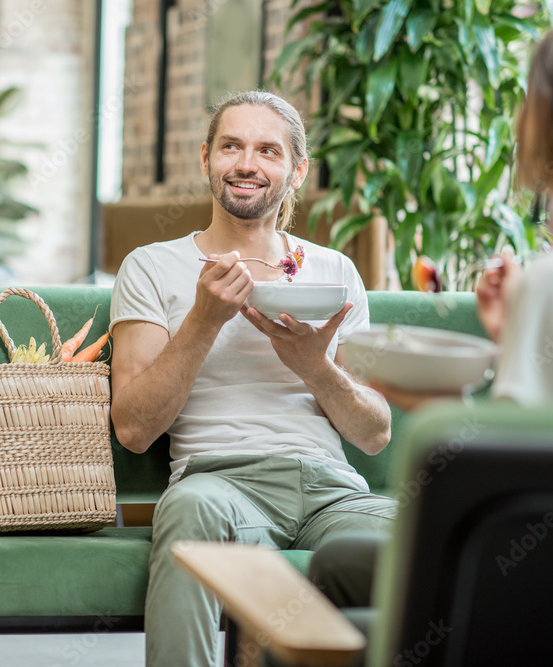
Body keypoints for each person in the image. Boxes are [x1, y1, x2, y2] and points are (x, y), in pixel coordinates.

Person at [314, 13, 553, 613]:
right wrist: (520, 338)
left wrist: (431, 398)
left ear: (552, 118)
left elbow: (514, 486)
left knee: (338, 565)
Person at [108, 90, 397, 667]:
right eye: (231, 146)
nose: (247, 164)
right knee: (188, 511)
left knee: (417, 540)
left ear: (297, 171)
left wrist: (316, 367)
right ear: (206, 160)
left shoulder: (334, 272)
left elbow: (374, 433)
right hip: (219, 485)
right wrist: (203, 321)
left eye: (268, 151)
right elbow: (135, 428)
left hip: (332, 490)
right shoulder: (151, 265)